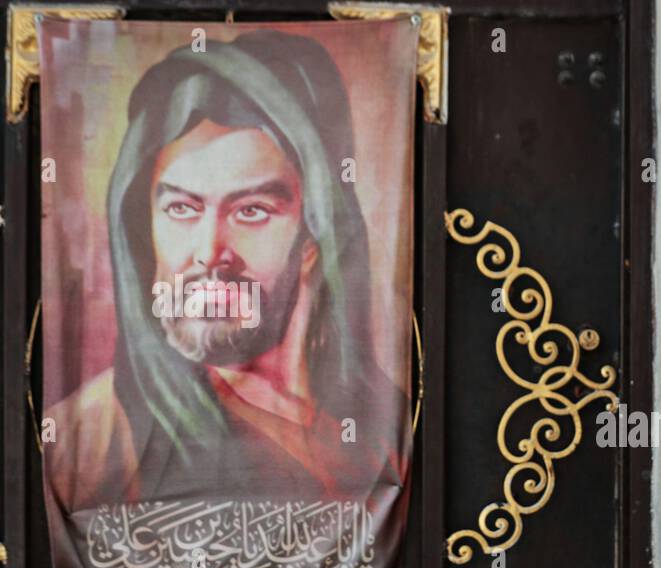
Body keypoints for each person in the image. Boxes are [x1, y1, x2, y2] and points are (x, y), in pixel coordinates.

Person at [45, 30, 406, 515]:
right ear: (141, 229)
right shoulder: (80, 447)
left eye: (252, 210)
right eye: (181, 208)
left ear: (315, 236)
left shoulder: (387, 428)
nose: (210, 253)